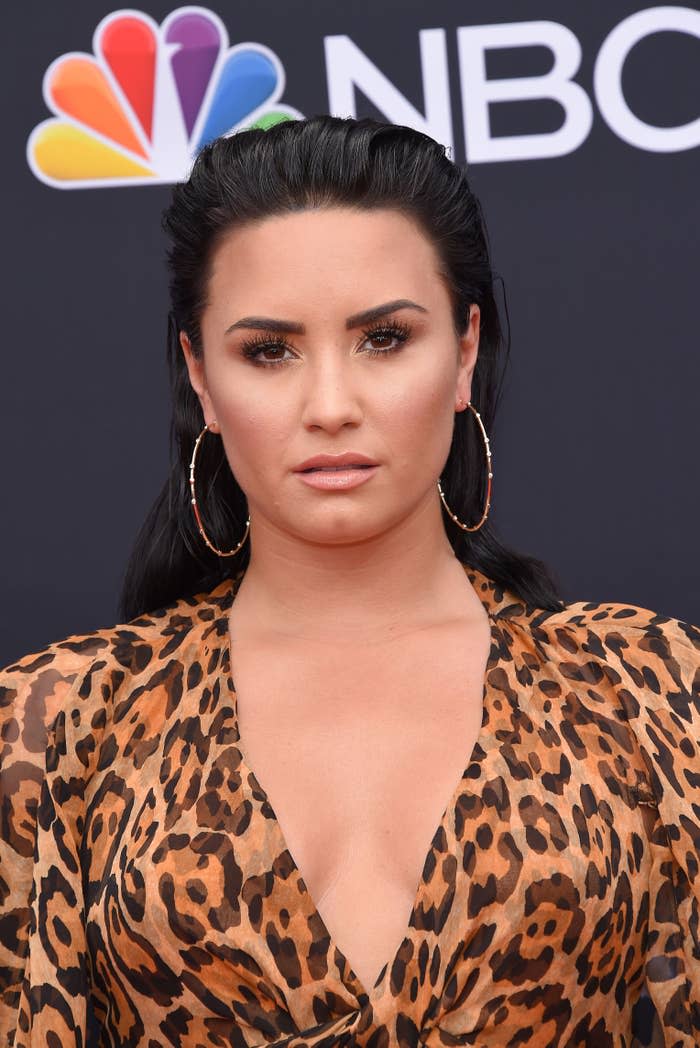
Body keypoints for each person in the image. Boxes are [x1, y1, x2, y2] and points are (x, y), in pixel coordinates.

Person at [1, 115, 698, 1048]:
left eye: (383, 338)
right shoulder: (56, 722)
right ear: (200, 377)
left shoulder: (651, 692)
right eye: (269, 351)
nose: (331, 406)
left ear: (462, 352)